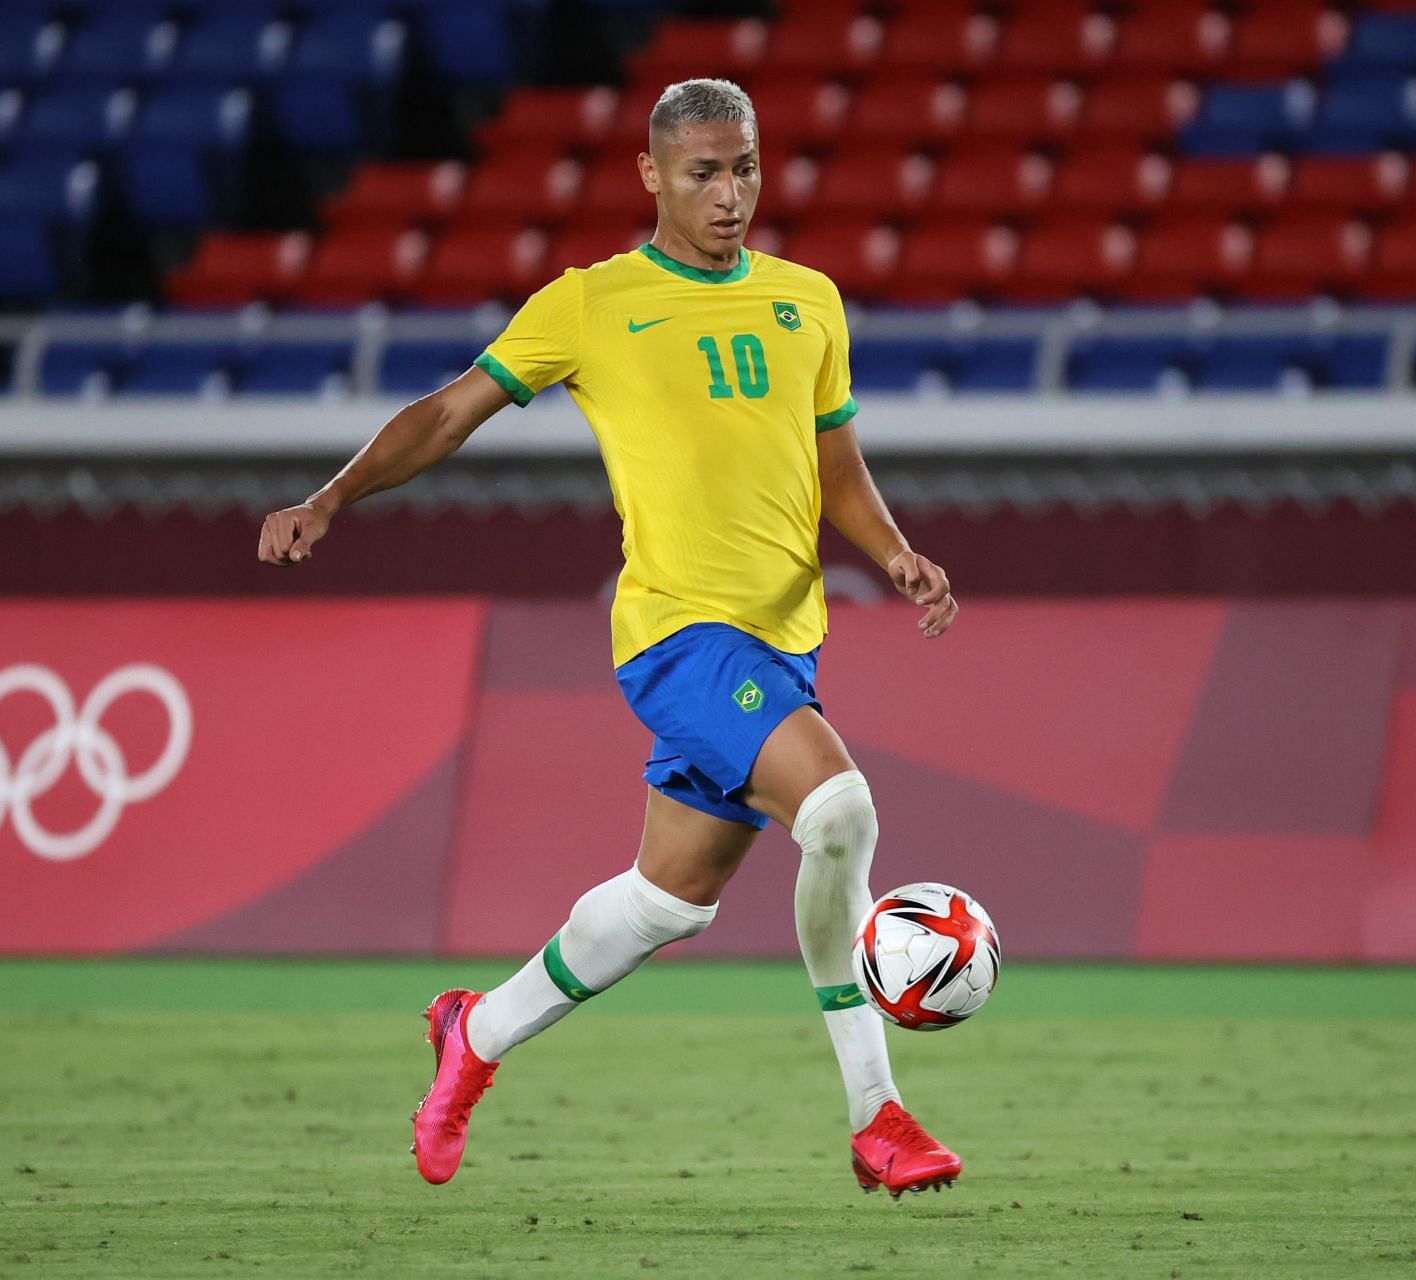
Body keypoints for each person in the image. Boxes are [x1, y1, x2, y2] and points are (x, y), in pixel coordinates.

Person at [257, 78, 963, 1198]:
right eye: (702, 173)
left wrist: (895, 552)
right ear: (651, 175)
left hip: (782, 642)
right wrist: (332, 496)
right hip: (678, 636)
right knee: (839, 813)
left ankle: (474, 1033)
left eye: (744, 168)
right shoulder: (593, 304)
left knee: (666, 901)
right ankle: (879, 1113)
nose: (729, 194)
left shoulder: (808, 301)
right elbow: (448, 411)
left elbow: (834, 464)